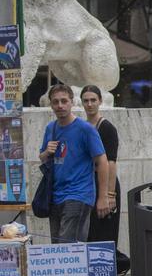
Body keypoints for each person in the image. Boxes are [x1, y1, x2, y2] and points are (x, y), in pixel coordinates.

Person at [38, 84, 111, 243]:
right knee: (58, 248)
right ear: (50, 104)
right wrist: (46, 153)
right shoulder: (51, 128)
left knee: (69, 248)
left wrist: (103, 197)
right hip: (55, 196)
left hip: (79, 194)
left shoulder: (85, 129)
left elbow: (102, 161)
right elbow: (43, 158)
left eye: (64, 101)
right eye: (56, 102)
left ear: (72, 102)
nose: (60, 105)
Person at [81, 85, 128, 276]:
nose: (90, 104)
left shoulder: (106, 127)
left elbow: (111, 161)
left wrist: (109, 195)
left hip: (106, 184)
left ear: (100, 101)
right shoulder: (83, 126)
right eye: (86, 100)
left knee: (105, 233)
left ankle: (114, 270)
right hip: (88, 184)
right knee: (92, 233)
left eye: (93, 100)